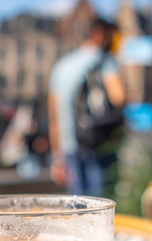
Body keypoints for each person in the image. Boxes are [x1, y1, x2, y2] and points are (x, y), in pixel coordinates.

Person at [48, 17, 126, 196]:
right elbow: (119, 98)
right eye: (115, 38)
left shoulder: (62, 66)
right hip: (99, 144)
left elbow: (54, 116)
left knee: (78, 210)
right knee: (103, 207)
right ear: (100, 34)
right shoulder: (106, 61)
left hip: (70, 147)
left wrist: (57, 158)